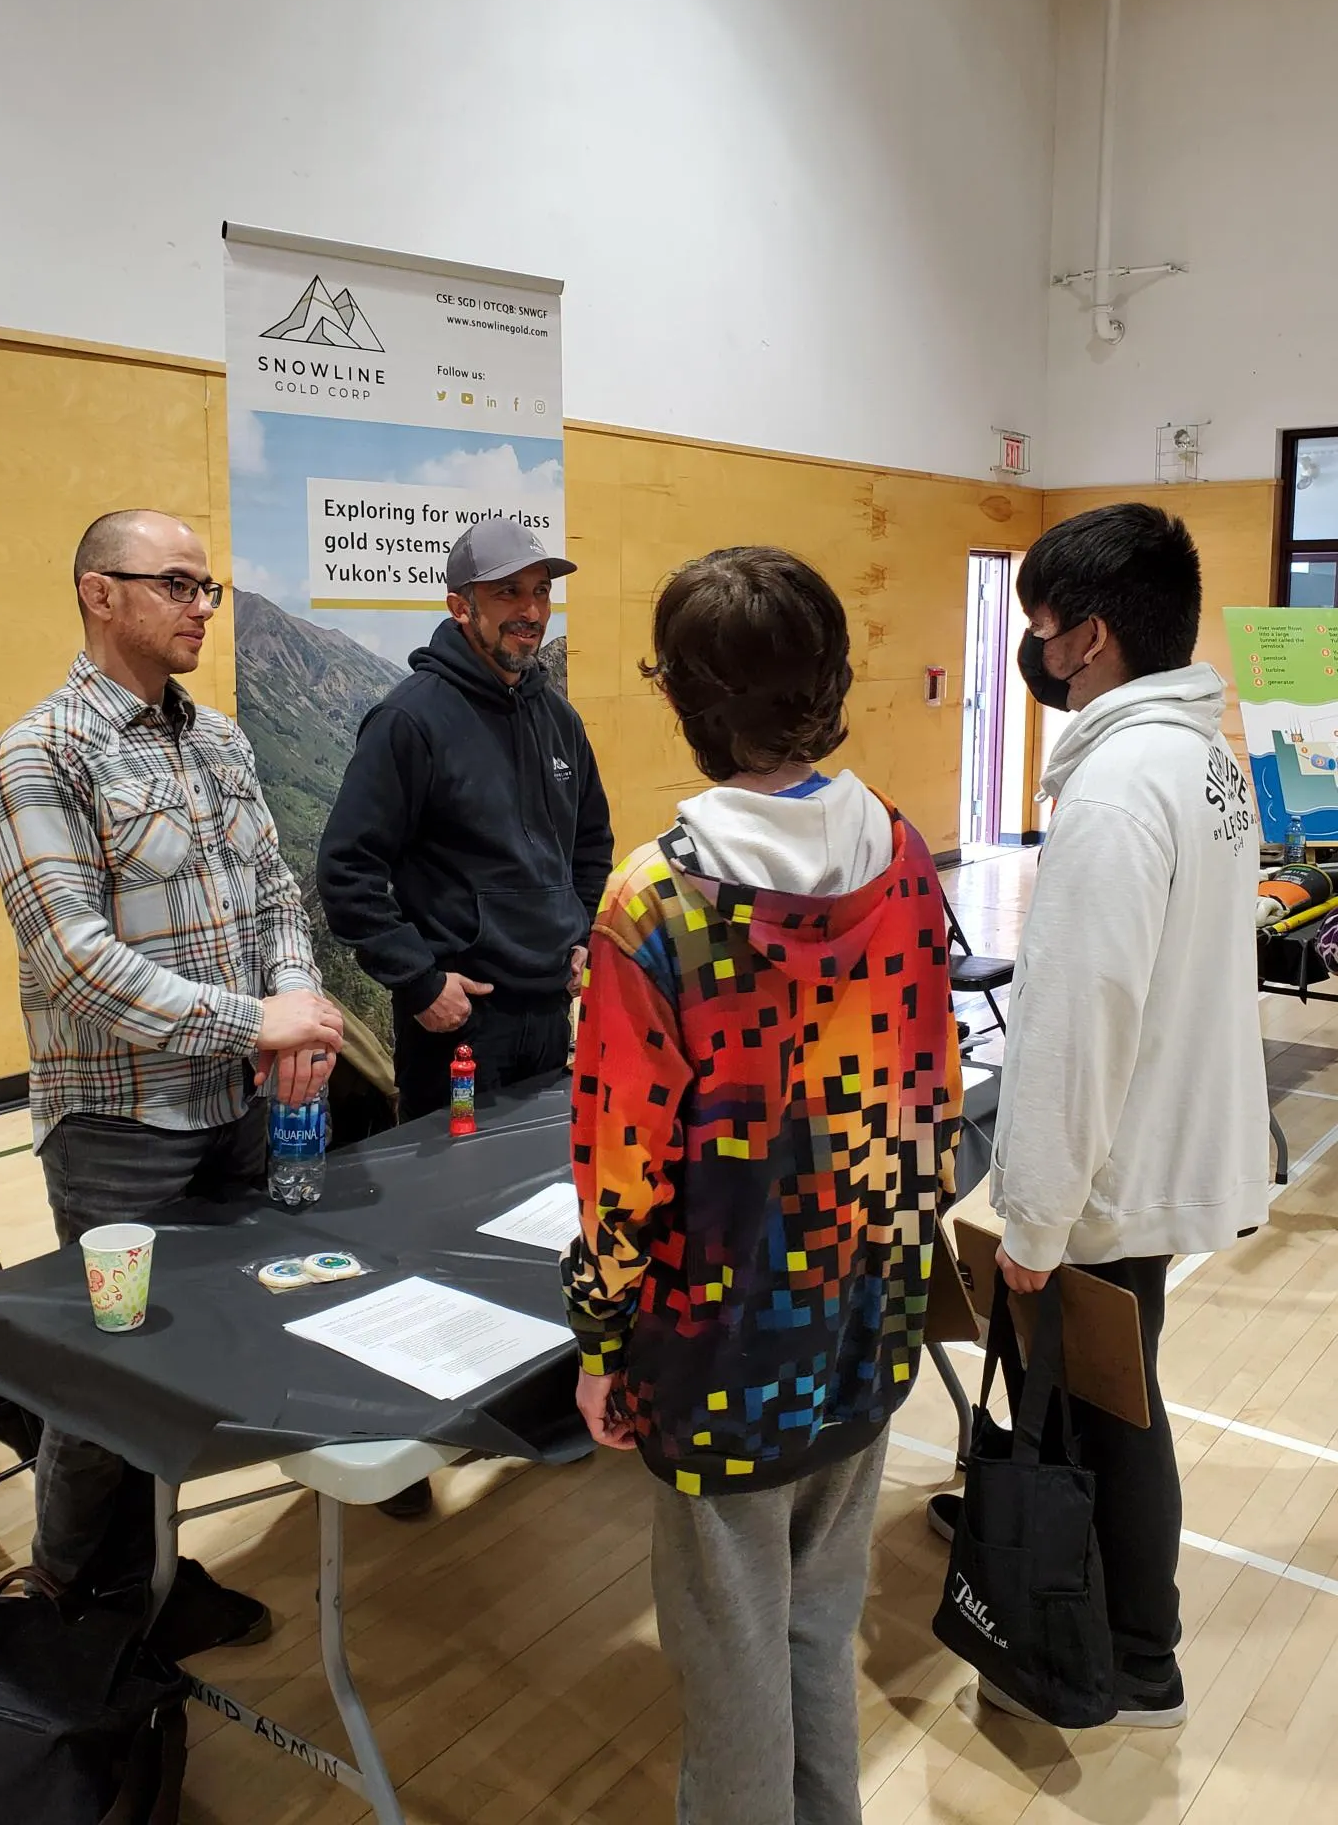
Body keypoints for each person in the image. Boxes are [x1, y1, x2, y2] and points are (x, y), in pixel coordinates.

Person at [562, 548, 961, 1825]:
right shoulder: (901, 852)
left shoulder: (656, 899)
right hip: (868, 1316)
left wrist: (599, 1341)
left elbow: (621, 1168)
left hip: (718, 1349)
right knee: (817, 1628)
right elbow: (933, 1096)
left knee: (732, 1659)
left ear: (683, 697)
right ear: (829, 681)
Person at [0, 508, 343, 1658]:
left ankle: (160, 1575)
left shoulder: (220, 742)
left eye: (208, 587)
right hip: (119, 1127)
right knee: (107, 1384)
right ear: (100, 592)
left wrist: (293, 1009)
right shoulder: (38, 756)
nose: (201, 606)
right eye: (176, 584)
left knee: (215, 1340)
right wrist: (256, 1018)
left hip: (238, 1107)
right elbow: (73, 961)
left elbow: (275, 896)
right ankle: (70, 1607)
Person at [947, 503, 1268, 1729]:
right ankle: (1090, 1588)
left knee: (1111, 1407)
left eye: (1040, 627)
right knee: (1110, 1393)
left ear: (1089, 638)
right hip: (1160, 1142)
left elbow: (1081, 1015)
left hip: (1112, 1165)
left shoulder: (1120, 787)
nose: (1034, 651)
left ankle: (1137, 1654)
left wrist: (1032, 1217)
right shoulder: (1202, 756)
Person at [317, 516, 613, 1121]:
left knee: (544, 1176)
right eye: (508, 593)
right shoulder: (410, 720)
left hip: (550, 1018)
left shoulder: (560, 720)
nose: (531, 611)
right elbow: (347, 869)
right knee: (451, 1178)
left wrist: (582, 933)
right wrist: (419, 982)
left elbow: (591, 842)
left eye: (541, 592)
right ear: (460, 607)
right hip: (458, 1023)